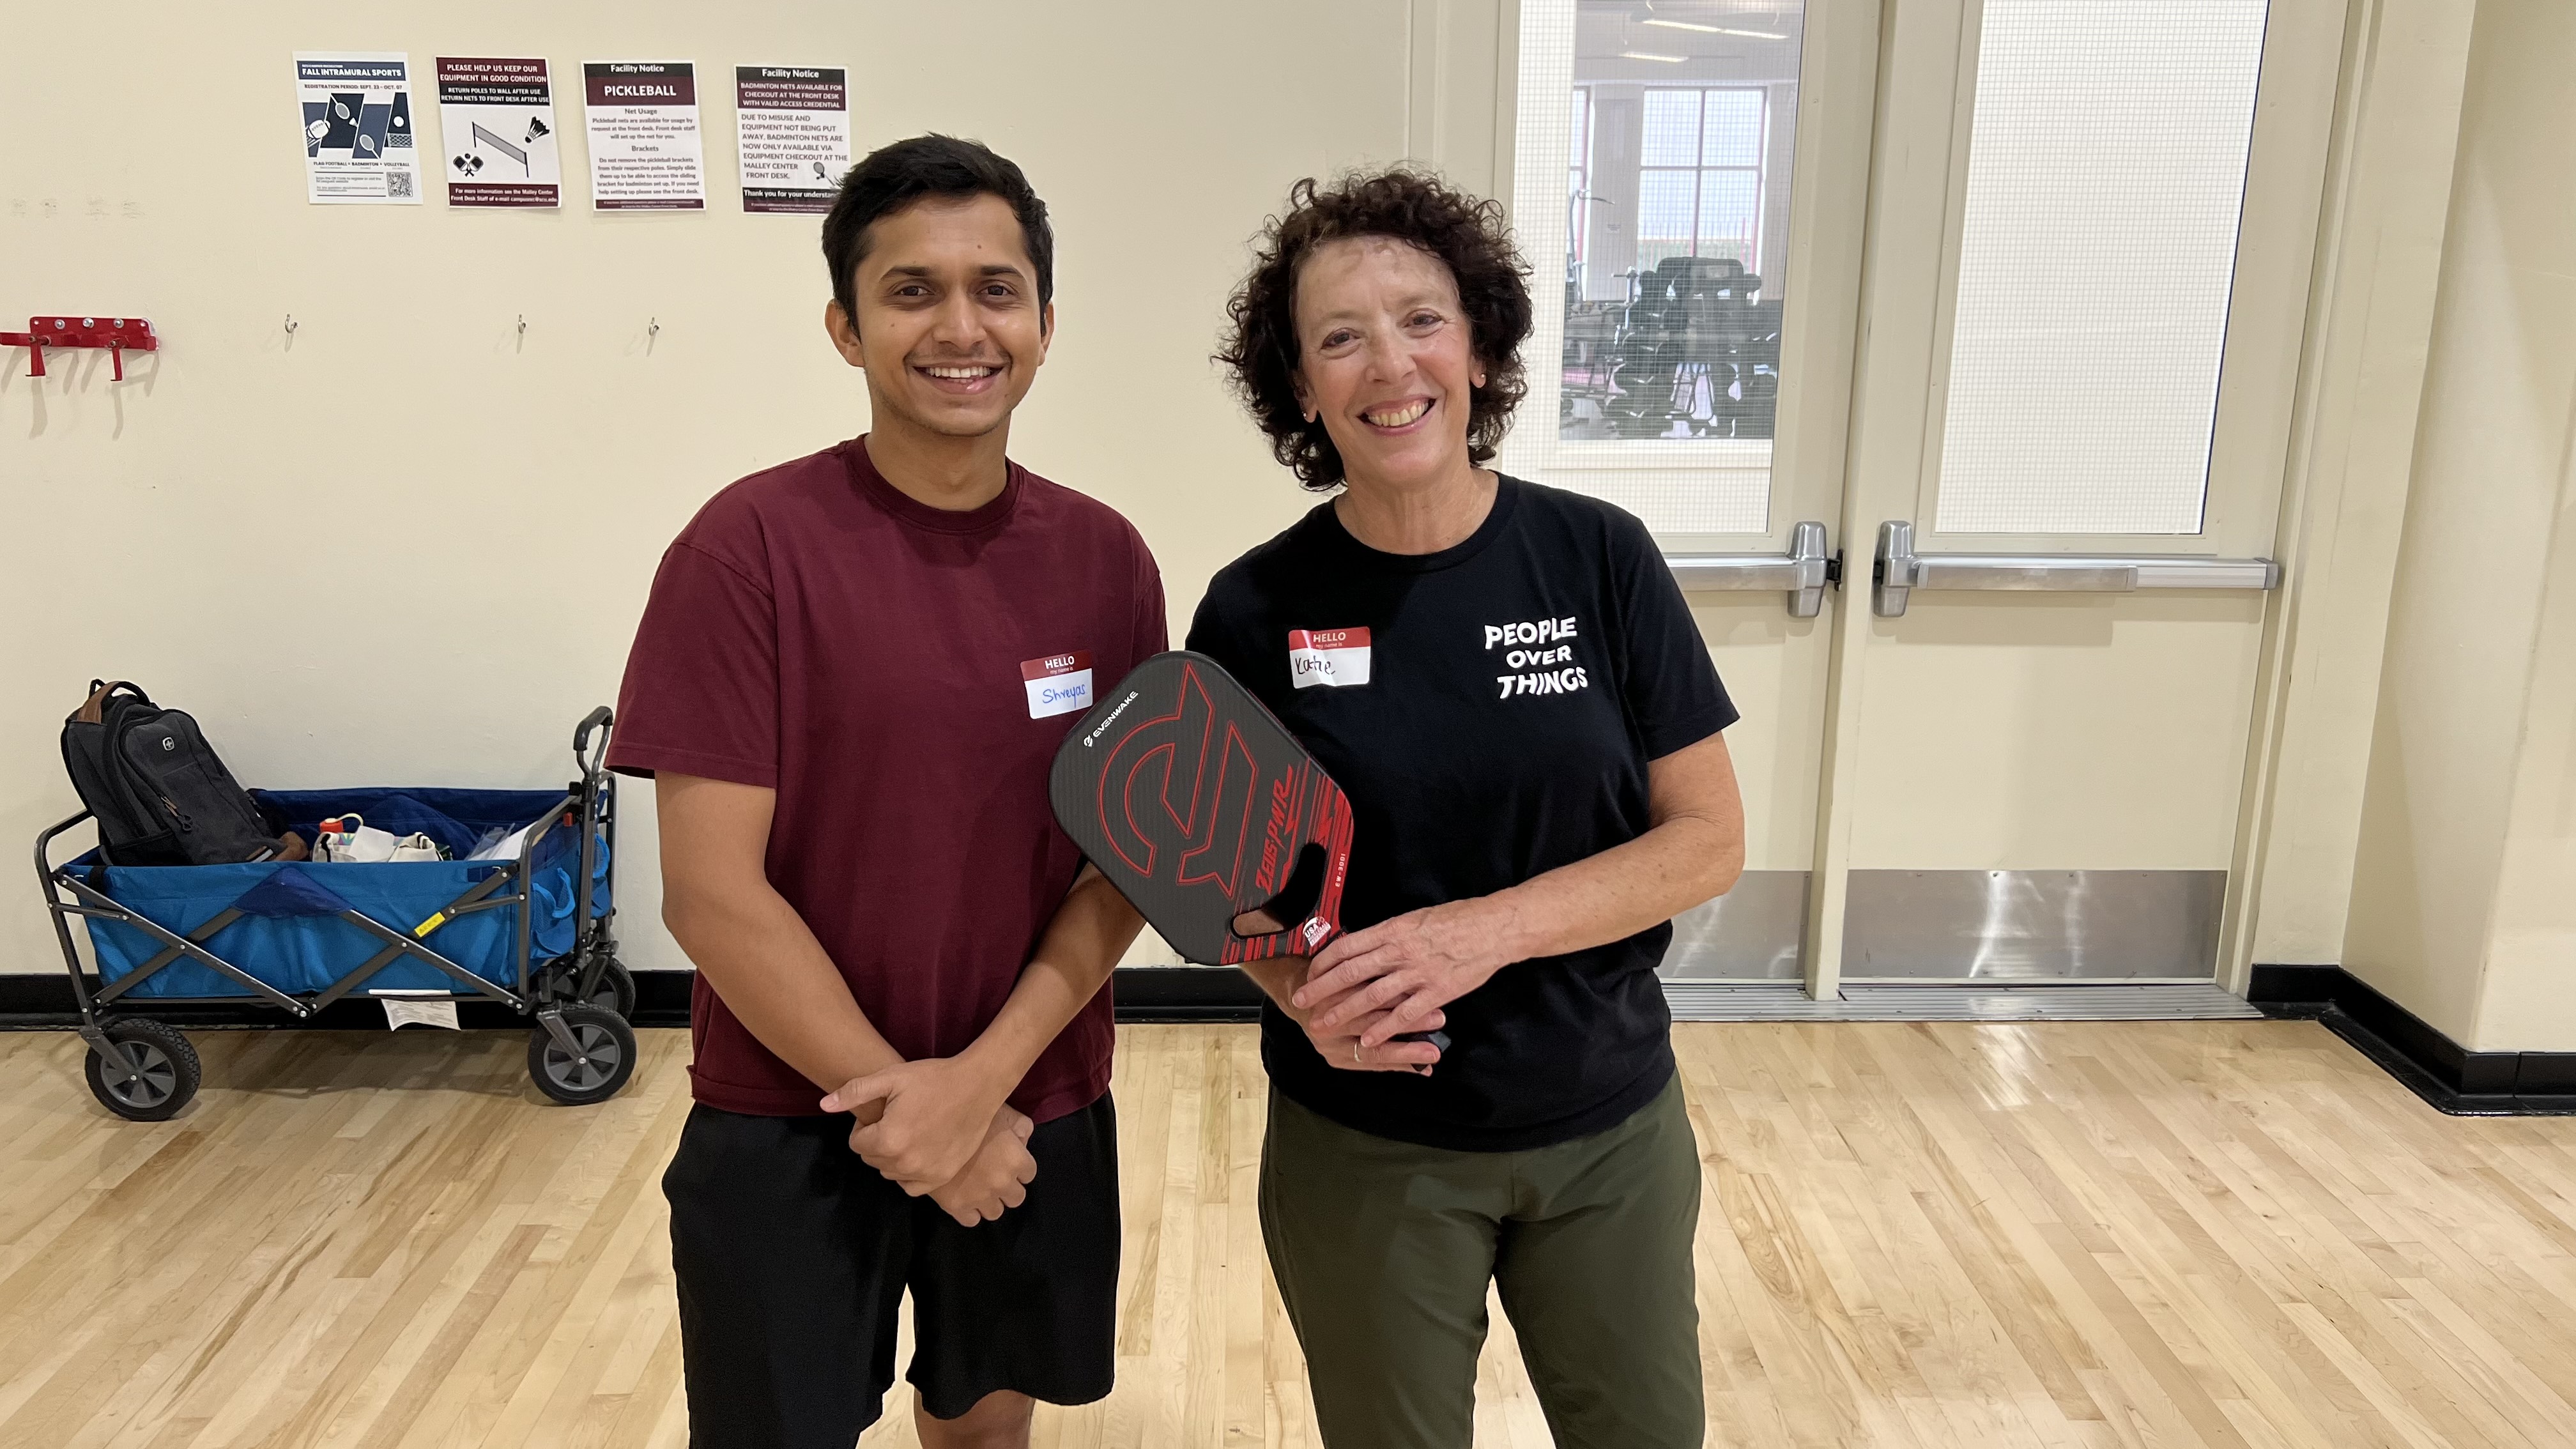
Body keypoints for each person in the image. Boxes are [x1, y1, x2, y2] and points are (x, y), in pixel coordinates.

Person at [606, 135, 1162, 1449]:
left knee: (985, 1426)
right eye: (912, 291)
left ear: (1044, 324)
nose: (960, 327)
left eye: (996, 290)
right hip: (791, 1110)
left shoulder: (1106, 560)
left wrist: (979, 1090)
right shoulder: (745, 550)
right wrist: (907, 1106)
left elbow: (1124, 865)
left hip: (1031, 1099)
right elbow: (710, 895)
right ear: (846, 329)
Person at [1190, 169, 1748, 1448]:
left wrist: (1480, 933)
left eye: (1422, 320)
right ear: (1301, 387)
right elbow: (1227, 887)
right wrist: (1304, 999)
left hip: (1607, 1126)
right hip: (1367, 1143)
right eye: (1341, 337)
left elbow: (1707, 839)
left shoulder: (1597, 556)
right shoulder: (1253, 609)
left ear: (1481, 350)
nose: (1391, 365)